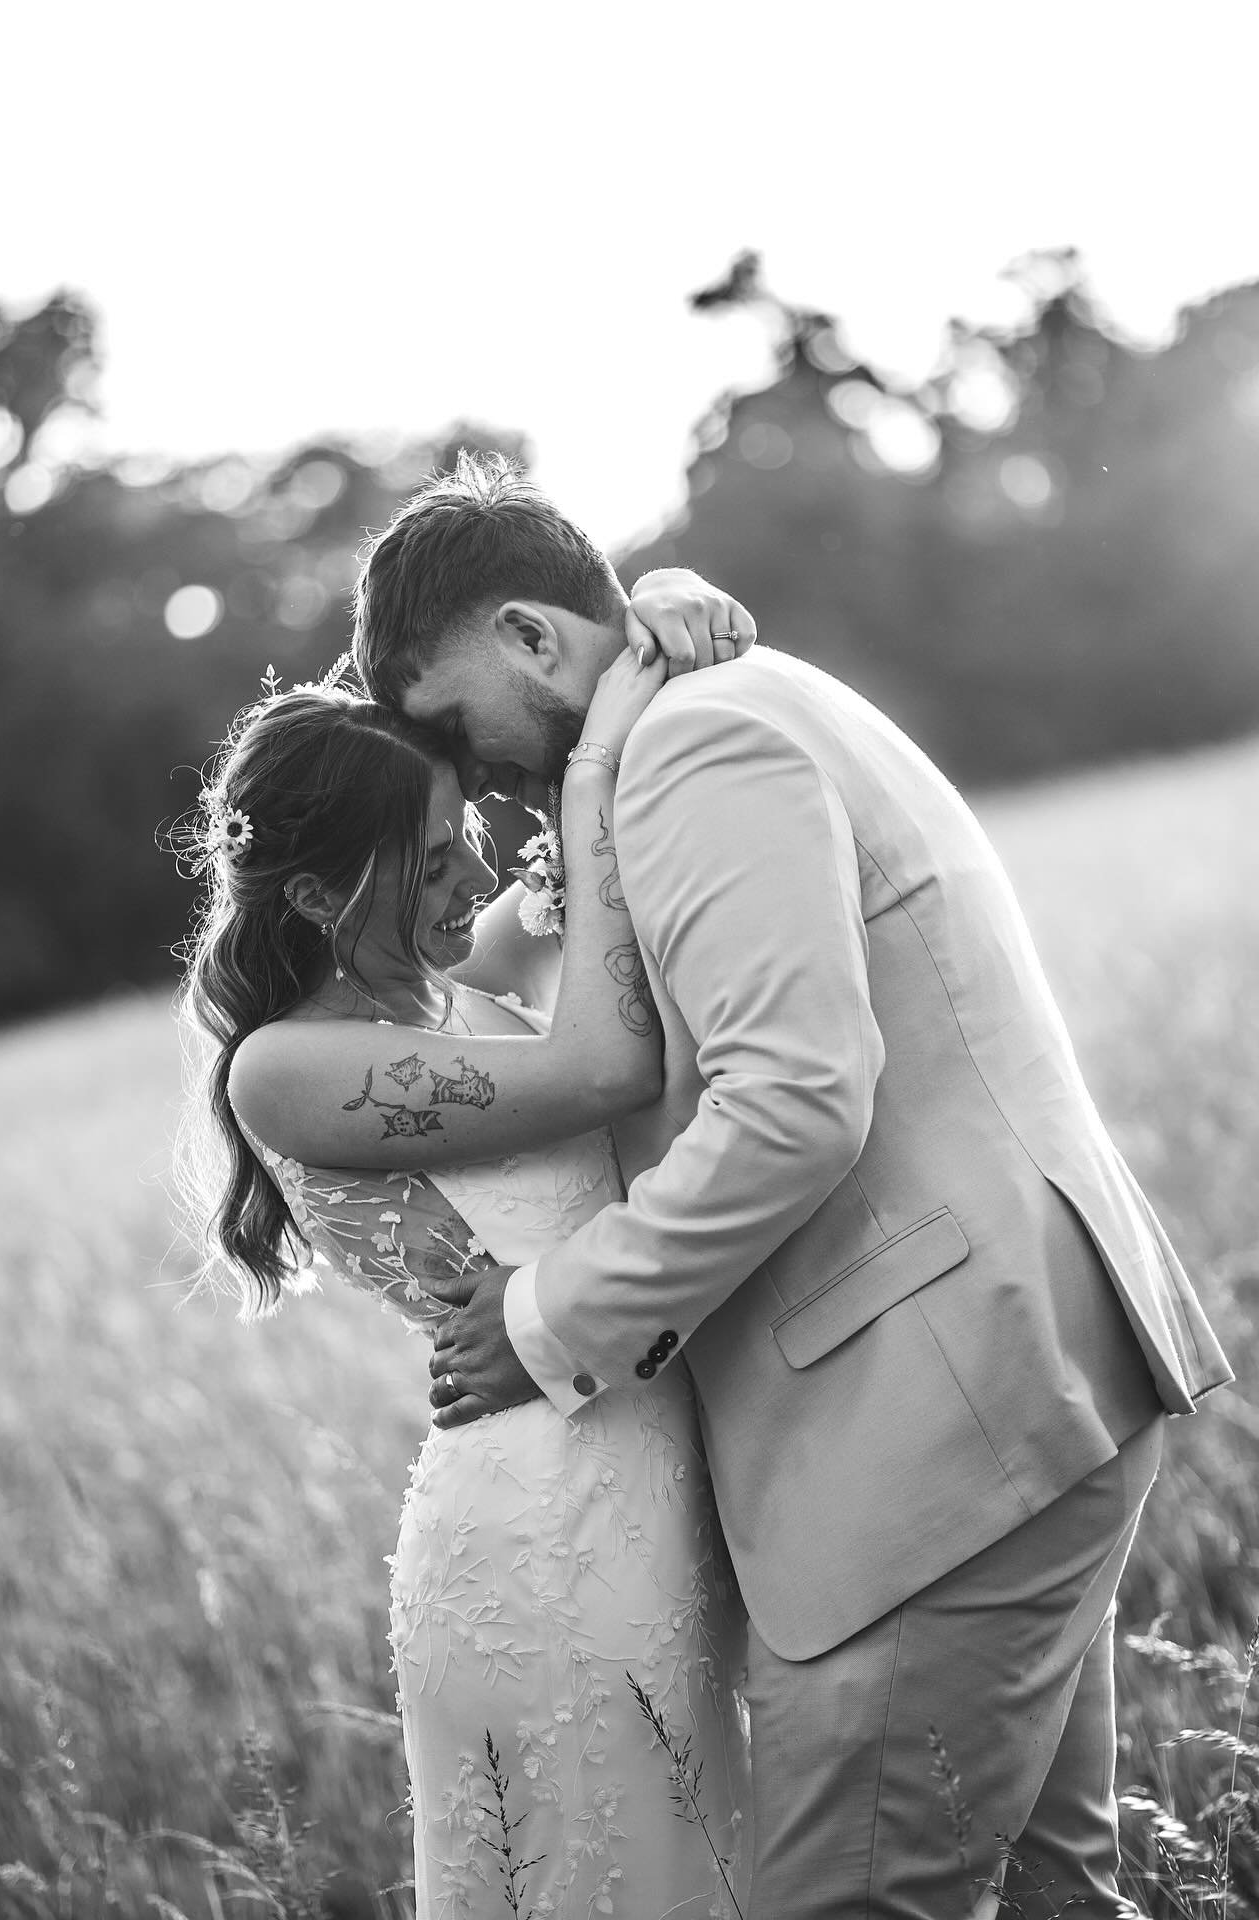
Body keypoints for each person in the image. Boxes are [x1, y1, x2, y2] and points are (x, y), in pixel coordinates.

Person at [350, 452, 1235, 1919]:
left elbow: (795, 1105)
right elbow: (485, 951)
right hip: (1003, 1394)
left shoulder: (699, 744)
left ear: (529, 633)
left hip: (932, 1437)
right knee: (1060, 1896)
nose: (472, 775)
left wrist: (540, 1320)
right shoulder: (693, 725)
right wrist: (590, 745)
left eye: (456, 724)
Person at [177, 577, 757, 1917]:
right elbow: (609, 1061)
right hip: (542, 1527)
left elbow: (572, 860)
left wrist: (649, 610)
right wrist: (608, 739)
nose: (478, 876)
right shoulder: (287, 1071)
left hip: (652, 1480)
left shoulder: (456, 975)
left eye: (466, 837)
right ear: (322, 893)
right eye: (434, 860)